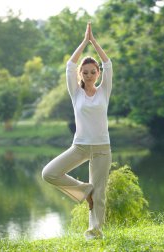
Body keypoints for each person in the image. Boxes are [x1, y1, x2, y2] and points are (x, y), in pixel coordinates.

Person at [42, 22, 112, 240]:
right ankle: (84, 190)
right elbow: (69, 66)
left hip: (102, 147)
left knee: (100, 193)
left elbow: (108, 63)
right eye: (86, 72)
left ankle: (94, 232)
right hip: (80, 146)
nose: (90, 75)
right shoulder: (76, 93)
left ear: (98, 74)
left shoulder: (104, 91)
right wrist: (84, 42)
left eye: (93, 72)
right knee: (49, 173)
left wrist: (95, 43)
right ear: (81, 74)